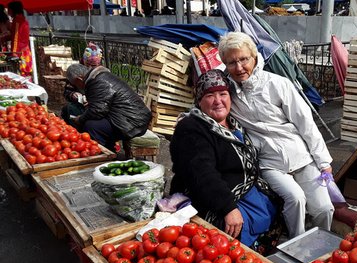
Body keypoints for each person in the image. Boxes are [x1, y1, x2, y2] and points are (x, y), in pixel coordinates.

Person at [218, 32, 334, 238]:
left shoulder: (278, 84)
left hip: (302, 156)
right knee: (296, 198)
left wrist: (323, 161)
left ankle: (321, 241)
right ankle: (296, 244)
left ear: (254, 57)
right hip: (269, 163)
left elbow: (305, 123)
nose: (239, 67)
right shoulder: (228, 93)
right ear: (225, 65)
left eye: (244, 59)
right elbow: (209, 102)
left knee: (324, 208)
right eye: (231, 62)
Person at [170, 69, 278, 247]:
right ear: (199, 101)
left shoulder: (233, 122)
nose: (218, 101)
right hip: (212, 196)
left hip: (244, 189)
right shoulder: (191, 128)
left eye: (223, 94)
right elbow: (202, 173)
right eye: (210, 95)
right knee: (228, 236)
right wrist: (228, 208)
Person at [65, 63, 151, 151]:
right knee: (82, 115)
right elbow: (102, 104)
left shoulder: (97, 82)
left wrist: (80, 119)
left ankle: (105, 154)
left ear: (79, 79)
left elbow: (98, 110)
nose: (76, 87)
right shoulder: (98, 77)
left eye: (75, 84)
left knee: (91, 126)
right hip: (131, 117)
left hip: (133, 122)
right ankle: (108, 148)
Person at [61, 42, 103, 125]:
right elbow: (67, 91)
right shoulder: (75, 72)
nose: (90, 68)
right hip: (78, 104)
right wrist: (73, 94)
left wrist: (93, 101)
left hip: (96, 106)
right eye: (88, 65)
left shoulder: (102, 73)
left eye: (94, 66)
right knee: (69, 109)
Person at [7, 1, 31, 77]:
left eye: (9, 9)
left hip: (20, 53)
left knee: (21, 76)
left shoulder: (17, 21)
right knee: (25, 76)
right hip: (24, 51)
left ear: (13, 10)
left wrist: (14, 53)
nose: (8, 11)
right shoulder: (21, 19)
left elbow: (16, 38)